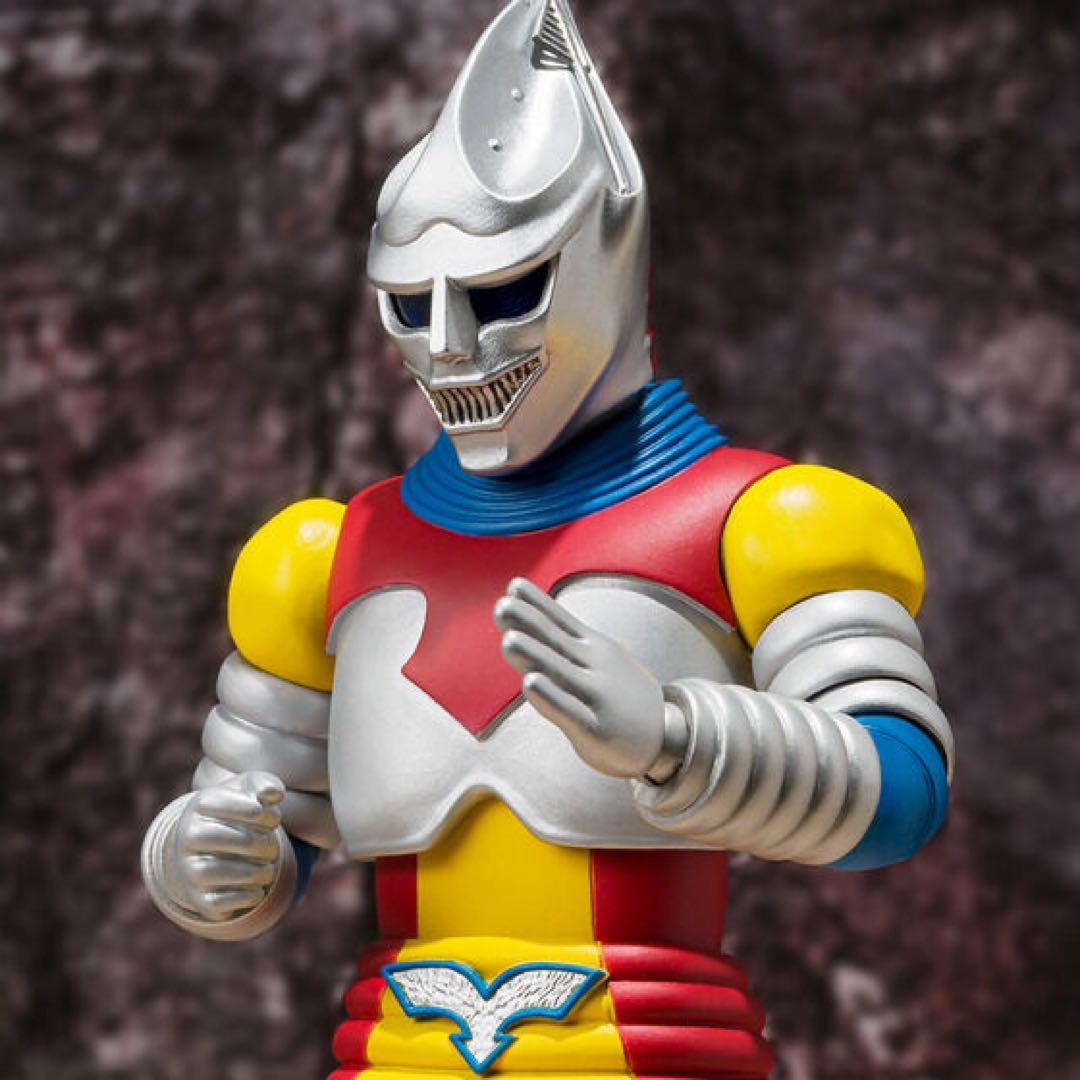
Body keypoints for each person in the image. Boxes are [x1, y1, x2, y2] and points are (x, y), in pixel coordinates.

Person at [141, 2, 953, 1076]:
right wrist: (200, 860)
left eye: (501, 294)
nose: (449, 345)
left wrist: (677, 736)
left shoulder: (766, 524)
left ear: (606, 261)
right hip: (392, 1053)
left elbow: (902, 791)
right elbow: (253, 839)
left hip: (653, 1052)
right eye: (410, 307)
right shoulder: (325, 558)